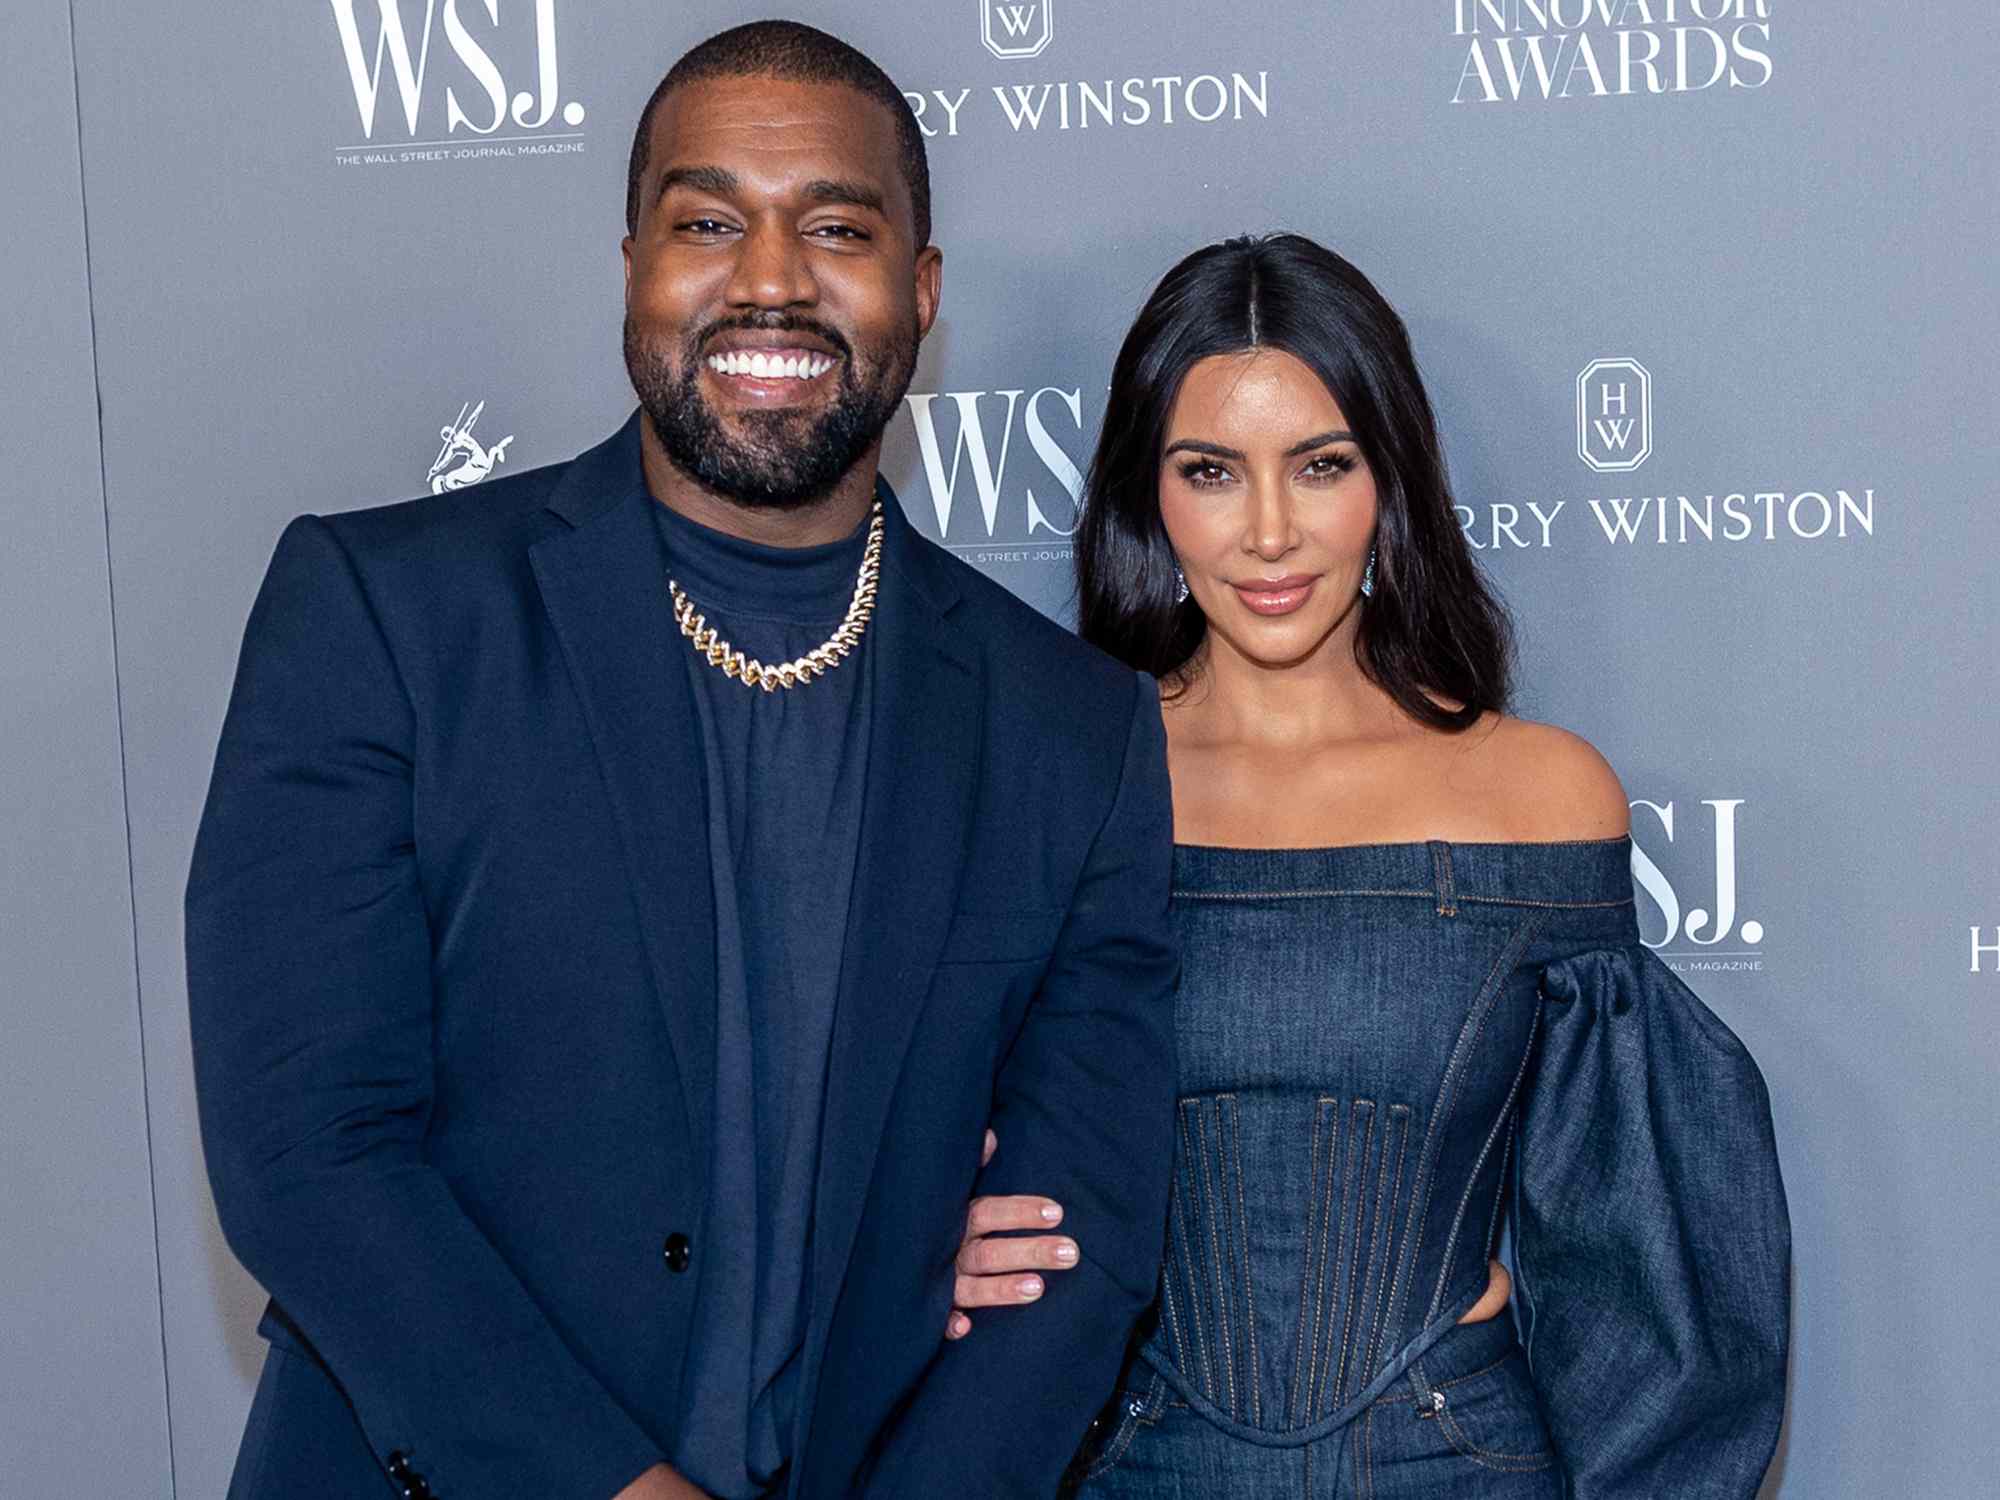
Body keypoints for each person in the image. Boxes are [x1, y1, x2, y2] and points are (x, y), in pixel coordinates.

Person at [185, 22, 1177, 1500]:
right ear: (635, 268)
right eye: (708, 221)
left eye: (835, 228)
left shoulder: (1070, 726)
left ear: (921, 292)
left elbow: (1078, 1244)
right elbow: (308, 1155)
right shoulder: (389, 616)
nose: (770, 277)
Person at [955, 234, 1791, 1496]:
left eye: (1320, 464)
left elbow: (1645, 1274)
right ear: (1149, 493)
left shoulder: (1539, 793)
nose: (1270, 532)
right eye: (1210, 472)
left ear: (1387, 480)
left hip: (1454, 1458)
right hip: (1122, 1461)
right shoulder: (1050, 784)